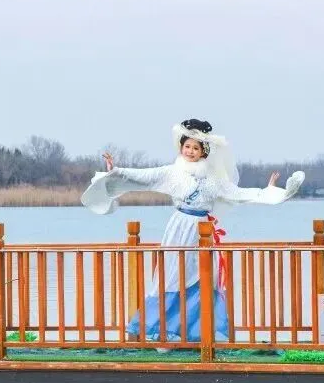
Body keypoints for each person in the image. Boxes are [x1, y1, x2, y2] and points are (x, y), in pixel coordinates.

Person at [81, 119, 305, 345]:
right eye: (187, 146)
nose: (190, 151)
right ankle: (162, 332)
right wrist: (116, 170)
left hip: (203, 232)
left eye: (195, 148)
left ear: (203, 152)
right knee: (172, 277)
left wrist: (269, 191)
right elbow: (143, 176)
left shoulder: (214, 179)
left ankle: (193, 334)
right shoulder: (172, 172)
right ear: (181, 148)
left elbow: (238, 193)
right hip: (180, 229)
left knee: (203, 278)